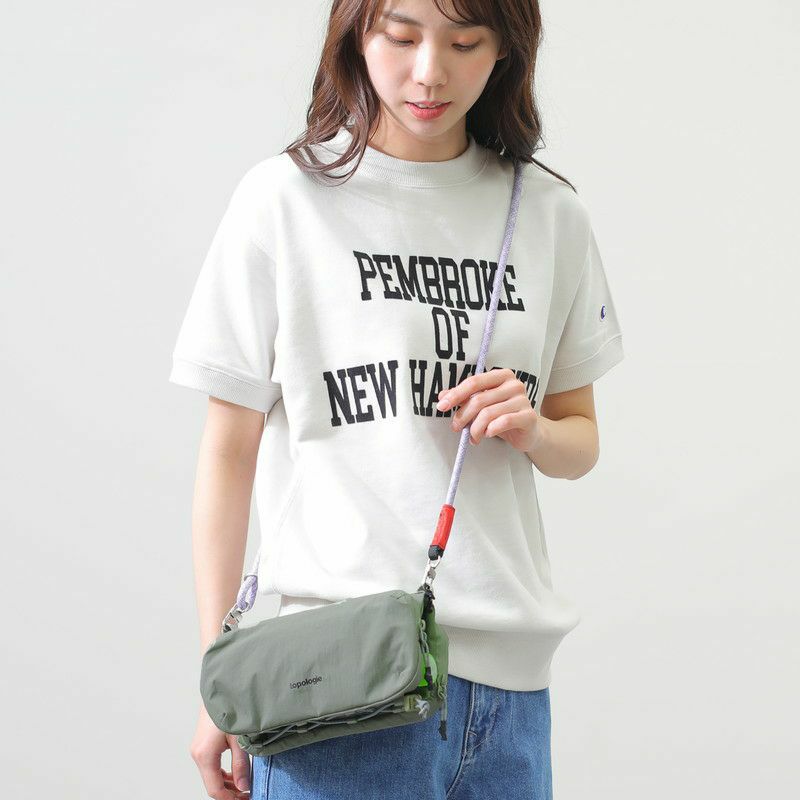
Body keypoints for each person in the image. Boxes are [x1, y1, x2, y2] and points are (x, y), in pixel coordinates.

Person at [169, 0, 625, 797]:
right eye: (402, 36)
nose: (429, 72)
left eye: (465, 42)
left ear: (506, 50)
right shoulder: (284, 199)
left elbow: (579, 441)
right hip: (338, 683)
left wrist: (531, 428)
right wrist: (220, 675)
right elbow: (228, 452)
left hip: (510, 695)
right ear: (358, 33)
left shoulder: (548, 213)